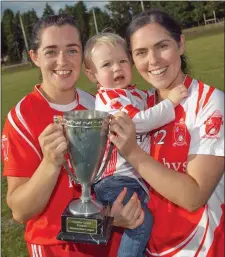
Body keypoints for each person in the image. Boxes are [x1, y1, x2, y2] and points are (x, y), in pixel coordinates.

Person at [1, 15, 144, 257]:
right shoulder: (21, 118)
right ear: (35, 56)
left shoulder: (96, 106)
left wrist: (110, 216)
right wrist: (49, 163)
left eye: (72, 50)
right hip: (55, 248)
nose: (63, 60)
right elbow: (20, 211)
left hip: (108, 240)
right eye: (51, 52)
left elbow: (113, 172)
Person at [108, 9, 224, 257]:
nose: (153, 61)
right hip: (150, 248)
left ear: (180, 44)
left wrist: (132, 152)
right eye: (141, 52)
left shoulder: (209, 102)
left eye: (162, 46)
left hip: (202, 248)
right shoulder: (139, 108)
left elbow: (194, 196)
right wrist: (114, 214)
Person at [84, 32, 187, 257]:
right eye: (107, 64)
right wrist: (171, 103)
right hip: (114, 180)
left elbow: (151, 99)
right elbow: (138, 122)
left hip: (133, 178)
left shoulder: (132, 93)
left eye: (122, 61)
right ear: (92, 75)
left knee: (146, 219)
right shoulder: (109, 99)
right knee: (140, 221)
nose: (117, 69)